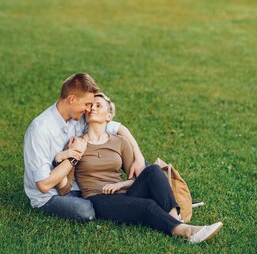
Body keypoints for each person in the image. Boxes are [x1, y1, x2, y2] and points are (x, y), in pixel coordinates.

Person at [58, 93, 223, 244]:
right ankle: (186, 232)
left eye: (98, 105)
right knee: (148, 206)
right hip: (98, 199)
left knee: (153, 171)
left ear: (109, 116)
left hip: (124, 194)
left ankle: (175, 218)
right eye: (90, 106)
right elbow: (65, 187)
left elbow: (138, 177)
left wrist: (120, 185)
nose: (92, 108)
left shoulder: (120, 142)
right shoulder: (76, 143)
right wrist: (66, 158)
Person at [23, 73, 146, 221]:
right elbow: (43, 185)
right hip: (51, 195)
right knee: (85, 210)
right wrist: (74, 156)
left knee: (146, 169)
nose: (89, 109)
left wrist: (139, 158)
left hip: (78, 185)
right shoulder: (40, 129)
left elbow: (120, 129)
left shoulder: (79, 117)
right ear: (72, 99)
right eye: (87, 104)